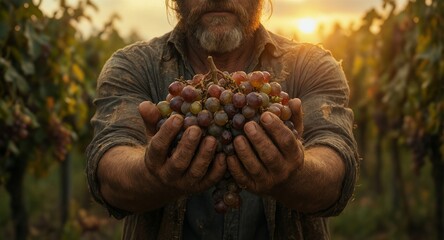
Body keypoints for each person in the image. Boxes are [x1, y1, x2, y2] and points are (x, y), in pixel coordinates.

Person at [86, 0, 359, 239]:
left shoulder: (311, 65)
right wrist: (151, 174)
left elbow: (335, 169)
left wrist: (296, 170)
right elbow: (109, 168)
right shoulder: (132, 66)